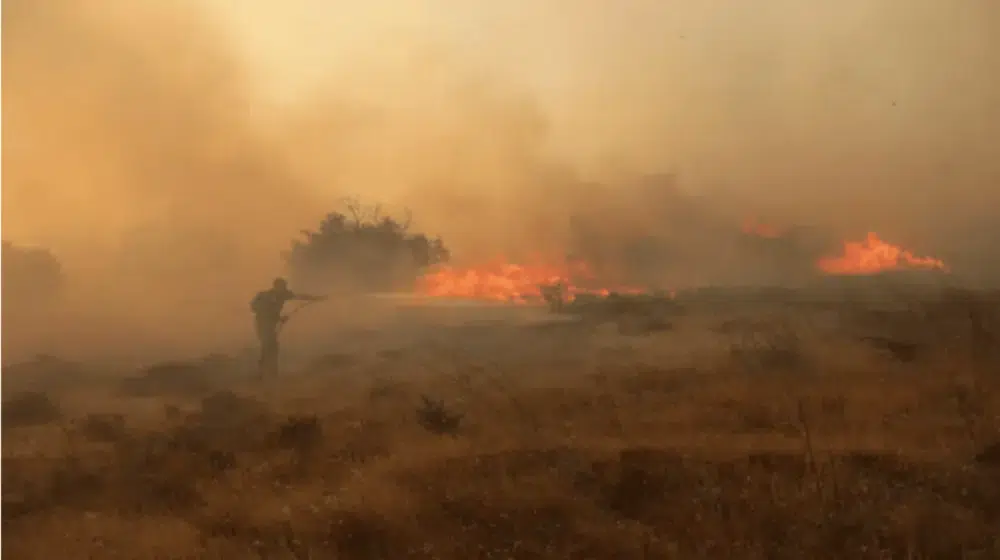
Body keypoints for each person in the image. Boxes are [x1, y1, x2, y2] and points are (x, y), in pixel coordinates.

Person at [250, 277, 324, 376]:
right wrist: (278, 318)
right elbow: (254, 308)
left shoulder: (283, 294)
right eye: (282, 287)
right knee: (269, 344)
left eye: (285, 287)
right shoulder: (265, 295)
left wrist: (316, 298)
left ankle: (269, 371)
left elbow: (299, 296)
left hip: (271, 324)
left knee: (271, 346)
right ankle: (265, 371)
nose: (284, 289)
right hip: (262, 323)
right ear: (276, 286)